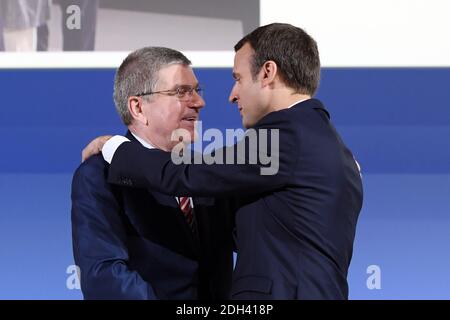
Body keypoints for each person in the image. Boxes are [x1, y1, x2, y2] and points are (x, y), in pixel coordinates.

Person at [85, 23, 363, 299]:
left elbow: (184, 175)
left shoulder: (287, 139)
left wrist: (114, 148)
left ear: (267, 73)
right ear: (138, 107)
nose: (231, 94)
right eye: (181, 92)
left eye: (238, 78)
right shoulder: (330, 149)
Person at [71, 47, 234, 299]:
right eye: (181, 92)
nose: (199, 102)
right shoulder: (100, 176)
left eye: (197, 91)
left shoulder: (203, 171)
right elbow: (103, 277)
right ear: (138, 108)